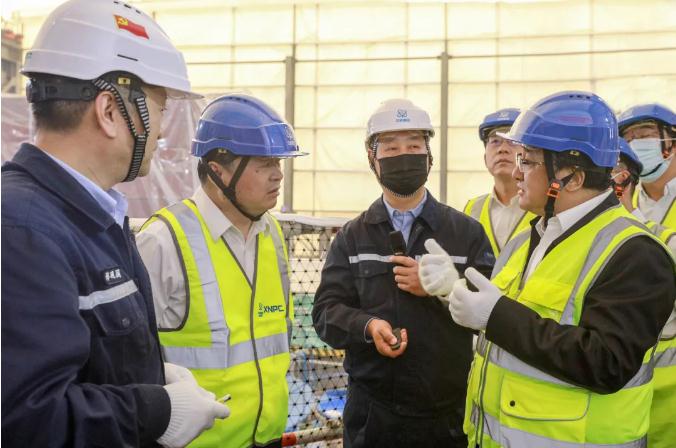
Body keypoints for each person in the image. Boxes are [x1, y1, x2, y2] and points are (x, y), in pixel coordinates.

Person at [1, 1, 230, 447]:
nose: (162, 132)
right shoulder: (24, 232)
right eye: (160, 109)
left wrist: (145, 373)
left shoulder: (90, 217)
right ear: (109, 111)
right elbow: (28, 421)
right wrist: (157, 410)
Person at [420, 91, 675, 447]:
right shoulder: (528, 237)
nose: (516, 171)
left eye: (527, 161)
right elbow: (508, 317)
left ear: (572, 176)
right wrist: (454, 290)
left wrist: (496, 316)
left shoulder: (635, 253)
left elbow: (607, 363)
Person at [311, 99, 495, 448]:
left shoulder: (466, 233)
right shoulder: (353, 237)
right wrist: (368, 326)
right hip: (372, 420)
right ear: (372, 158)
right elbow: (325, 313)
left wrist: (446, 290)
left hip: (448, 418)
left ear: (429, 155)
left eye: (413, 146)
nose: (404, 156)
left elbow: (492, 315)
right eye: (391, 148)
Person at [137, 94, 306, 448]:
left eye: (278, 162)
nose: (278, 174)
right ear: (217, 170)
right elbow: (130, 360)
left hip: (269, 438)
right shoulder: (164, 241)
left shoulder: (272, 234)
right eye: (264, 163)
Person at [611, 137, 676, 448]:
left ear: (621, 180)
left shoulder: (667, 243)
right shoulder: (576, 245)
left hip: (666, 410)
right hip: (608, 414)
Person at [464, 108, 536, 257]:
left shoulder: (544, 206)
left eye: (512, 141)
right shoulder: (472, 208)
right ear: (485, 158)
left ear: (528, 155)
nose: (503, 149)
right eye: (495, 141)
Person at [618, 103, 676, 229]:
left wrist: (633, 216)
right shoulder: (625, 200)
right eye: (628, 140)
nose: (634, 145)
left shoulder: (628, 207)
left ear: (673, 142)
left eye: (645, 136)